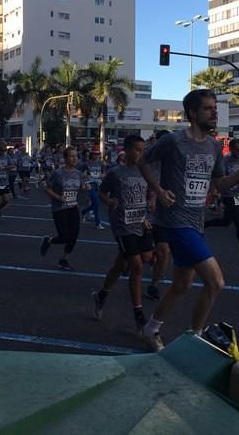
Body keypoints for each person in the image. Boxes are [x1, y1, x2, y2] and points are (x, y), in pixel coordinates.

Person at [137, 89, 239, 351]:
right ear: (192, 113)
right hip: (174, 221)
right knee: (216, 282)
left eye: (215, 108)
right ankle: (195, 339)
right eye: (208, 108)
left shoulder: (215, 146)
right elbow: (143, 162)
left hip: (196, 221)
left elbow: (220, 185)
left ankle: (151, 329)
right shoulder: (173, 141)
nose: (214, 112)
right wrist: (158, 190)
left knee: (182, 285)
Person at [93, 135, 153, 332]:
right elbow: (102, 192)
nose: (140, 154)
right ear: (126, 150)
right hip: (122, 224)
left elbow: (148, 193)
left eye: (142, 150)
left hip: (139, 221)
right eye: (136, 149)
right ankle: (139, 315)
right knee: (136, 266)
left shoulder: (145, 171)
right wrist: (108, 201)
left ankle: (101, 294)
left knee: (129, 262)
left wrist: (148, 208)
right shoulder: (115, 173)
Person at [204, 139, 239, 264]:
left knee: (226, 222)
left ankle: (202, 224)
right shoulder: (225, 161)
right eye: (238, 149)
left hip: (238, 195)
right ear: (231, 149)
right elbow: (220, 178)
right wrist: (236, 179)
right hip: (228, 194)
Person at [40, 146, 90, 270]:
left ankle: (64, 259)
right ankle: (48, 241)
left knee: (74, 236)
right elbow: (47, 189)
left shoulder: (79, 174)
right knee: (64, 237)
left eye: (76, 156)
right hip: (59, 208)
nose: (74, 159)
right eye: (71, 156)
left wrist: (85, 188)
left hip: (73, 207)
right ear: (65, 158)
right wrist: (58, 197)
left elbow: (81, 188)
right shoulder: (58, 173)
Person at [146, 130, 171, 301]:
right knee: (141, 255)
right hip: (142, 209)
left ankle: (154, 285)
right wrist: (152, 197)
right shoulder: (148, 157)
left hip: (164, 212)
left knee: (164, 251)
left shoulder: (175, 160)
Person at [81, 149, 105, 229]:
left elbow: (104, 173)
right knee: (97, 203)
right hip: (90, 184)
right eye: (95, 154)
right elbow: (80, 173)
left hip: (98, 184)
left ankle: (84, 212)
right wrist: (84, 178)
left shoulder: (101, 163)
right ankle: (98, 223)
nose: (97, 155)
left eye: (98, 154)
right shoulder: (86, 163)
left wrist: (103, 175)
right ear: (91, 154)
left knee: (95, 203)